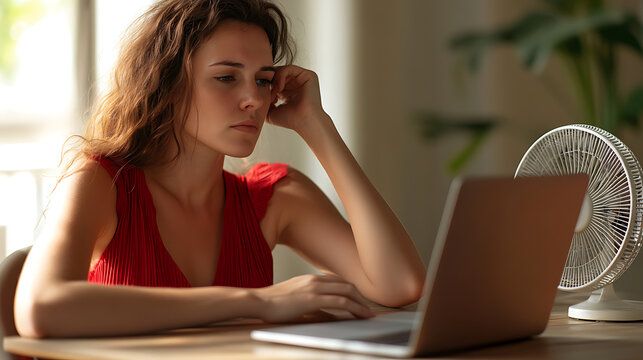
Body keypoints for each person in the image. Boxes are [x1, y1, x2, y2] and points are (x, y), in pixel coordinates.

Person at [14, 0, 426, 338]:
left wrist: (317, 125)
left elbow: (401, 284)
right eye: (227, 77)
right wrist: (258, 303)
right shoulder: (102, 180)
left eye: (264, 80)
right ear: (168, 84)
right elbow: (40, 309)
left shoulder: (274, 197)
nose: (254, 99)